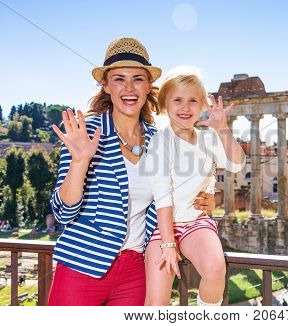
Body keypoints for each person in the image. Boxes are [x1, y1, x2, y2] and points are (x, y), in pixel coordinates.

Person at [47, 38, 214, 306]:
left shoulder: (160, 139)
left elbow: (176, 196)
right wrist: (79, 163)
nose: (129, 88)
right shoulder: (85, 132)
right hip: (81, 267)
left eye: (138, 79)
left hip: (137, 271)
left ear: (149, 87)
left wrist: (208, 201)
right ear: (106, 85)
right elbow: (62, 213)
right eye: (119, 79)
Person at [144, 69, 246, 306]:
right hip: (162, 226)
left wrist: (222, 128)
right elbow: (162, 195)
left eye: (193, 100)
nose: (185, 107)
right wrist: (169, 244)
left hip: (196, 222)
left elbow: (236, 164)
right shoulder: (161, 141)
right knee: (156, 301)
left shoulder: (209, 138)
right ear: (164, 105)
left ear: (202, 105)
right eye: (177, 100)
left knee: (215, 269)